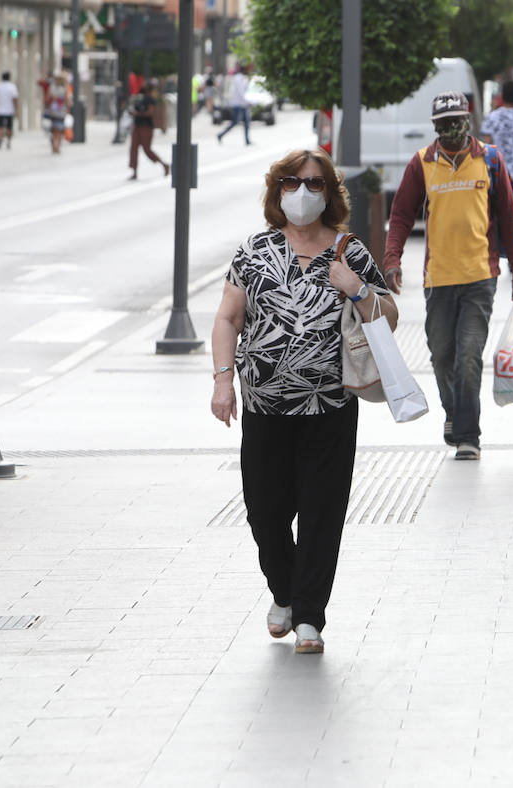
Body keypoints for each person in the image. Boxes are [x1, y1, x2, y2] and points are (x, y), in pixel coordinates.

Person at [210, 148, 398, 655]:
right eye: (293, 182)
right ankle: (284, 592)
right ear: (277, 191)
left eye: (314, 184)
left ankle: (309, 615)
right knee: (264, 512)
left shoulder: (348, 251)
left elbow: (390, 317)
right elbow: (228, 318)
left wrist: (356, 288)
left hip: (331, 405)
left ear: (330, 194)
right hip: (265, 405)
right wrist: (223, 381)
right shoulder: (254, 251)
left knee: (322, 511)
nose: (302, 192)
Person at [384, 91, 513, 460]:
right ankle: (453, 414)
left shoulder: (490, 160)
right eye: (443, 124)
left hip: (480, 276)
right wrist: (392, 259)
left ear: (469, 121)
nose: (450, 129)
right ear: (434, 127)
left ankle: (468, 436)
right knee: (441, 355)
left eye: (457, 122)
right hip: (439, 278)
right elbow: (401, 214)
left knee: (468, 355)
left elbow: (510, 221)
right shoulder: (422, 164)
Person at [127, 82, 169, 181]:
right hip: (137, 127)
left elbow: (150, 113)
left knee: (147, 150)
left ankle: (164, 165)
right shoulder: (141, 99)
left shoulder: (150, 100)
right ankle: (134, 171)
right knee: (133, 148)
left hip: (146, 127)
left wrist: (137, 114)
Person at [217, 65, 252, 145]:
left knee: (246, 122)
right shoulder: (238, 79)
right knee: (235, 122)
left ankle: (247, 140)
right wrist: (248, 101)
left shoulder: (243, 78)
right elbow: (241, 93)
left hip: (243, 104)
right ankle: (220, 135)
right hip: (238, 104)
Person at [40, 73, 69, 155]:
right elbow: (67, 101)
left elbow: (47, 99)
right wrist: (67, 110)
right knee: (59, 130)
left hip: (51, 112)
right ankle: (57, 147)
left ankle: (53, 146)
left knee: (53, 130)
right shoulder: (64, 89)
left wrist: (47, 107)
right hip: (61, 112)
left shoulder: (51, 88)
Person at [0, 71, 19, 149]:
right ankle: (8, 141)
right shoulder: (12, 87)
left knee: (0, 126)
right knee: (9, 127)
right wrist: (16, 109)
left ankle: (0, 139)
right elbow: (15, 99)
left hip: (0, 110)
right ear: (9, 77)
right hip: (10, 110)